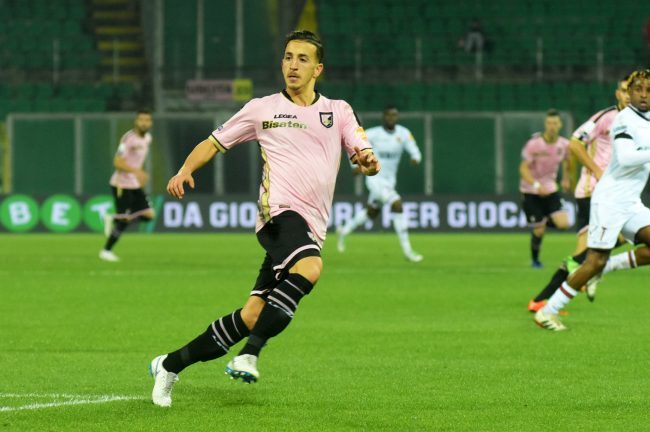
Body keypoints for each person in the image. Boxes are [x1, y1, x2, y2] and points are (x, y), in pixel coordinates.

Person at [149, 30, 380, 407]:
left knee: (252, 314)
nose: (293, 65)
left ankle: (169, 365)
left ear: (318, 69)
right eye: (288, 57)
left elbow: (362, 151)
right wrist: (184, 169)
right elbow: (214, 142)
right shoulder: (262, 109)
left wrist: (368, 162)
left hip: (312, 225)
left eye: (302, 59)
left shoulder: (338, 111)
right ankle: (249, 354)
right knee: (311, 267)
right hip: (277, 213)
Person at [534, 69, 650, 331]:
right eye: (638, 89)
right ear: (628, 93)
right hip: (610, 200)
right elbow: (626, 158)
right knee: (593, 260)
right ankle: (547, 312)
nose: (643, 95)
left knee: (600, 262)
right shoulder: (623, 119)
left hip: (631, 202)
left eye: (649, 90)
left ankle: (606, 268)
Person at [335, 105, 423, 262]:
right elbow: (354, 145)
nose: (391, 118)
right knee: (397, 205)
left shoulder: (403, 134)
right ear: (384, 116)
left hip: (389, 181)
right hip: (375, 179)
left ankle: (344, 230)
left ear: (397, 117)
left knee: (372, 212)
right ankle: (408, 251)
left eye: (394, 115)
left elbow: (415, 150)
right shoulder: (373, 134)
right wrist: (355, 166)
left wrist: (416, 158)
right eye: (388, 115)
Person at [99, 110, 154, 262]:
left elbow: (137, 161)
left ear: (150, 123)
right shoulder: (128, 139)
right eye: (141, 120)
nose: (144, 123)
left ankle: (115, 218)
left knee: (149, 215)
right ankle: (106, 251)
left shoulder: (148, 138)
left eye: (147, 120)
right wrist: (137, 172)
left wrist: (139, 175)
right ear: (136, 121)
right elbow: (117, 162)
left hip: (134, 183)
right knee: (124, 220)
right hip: (121, 184)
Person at [519, 109, 571, 268]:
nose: (552, 126)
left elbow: (568, 161)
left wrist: (566, 178)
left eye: (555, 123)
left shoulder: (564, 144)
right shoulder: (534, 144)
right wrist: (536, 185)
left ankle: (542, 220)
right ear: (545, 124)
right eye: (549, 123)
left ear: (560, 125)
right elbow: (523, 168)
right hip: (530, 190)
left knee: (564, 224)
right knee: (539, 230)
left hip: (550, 189)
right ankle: (535, 260)